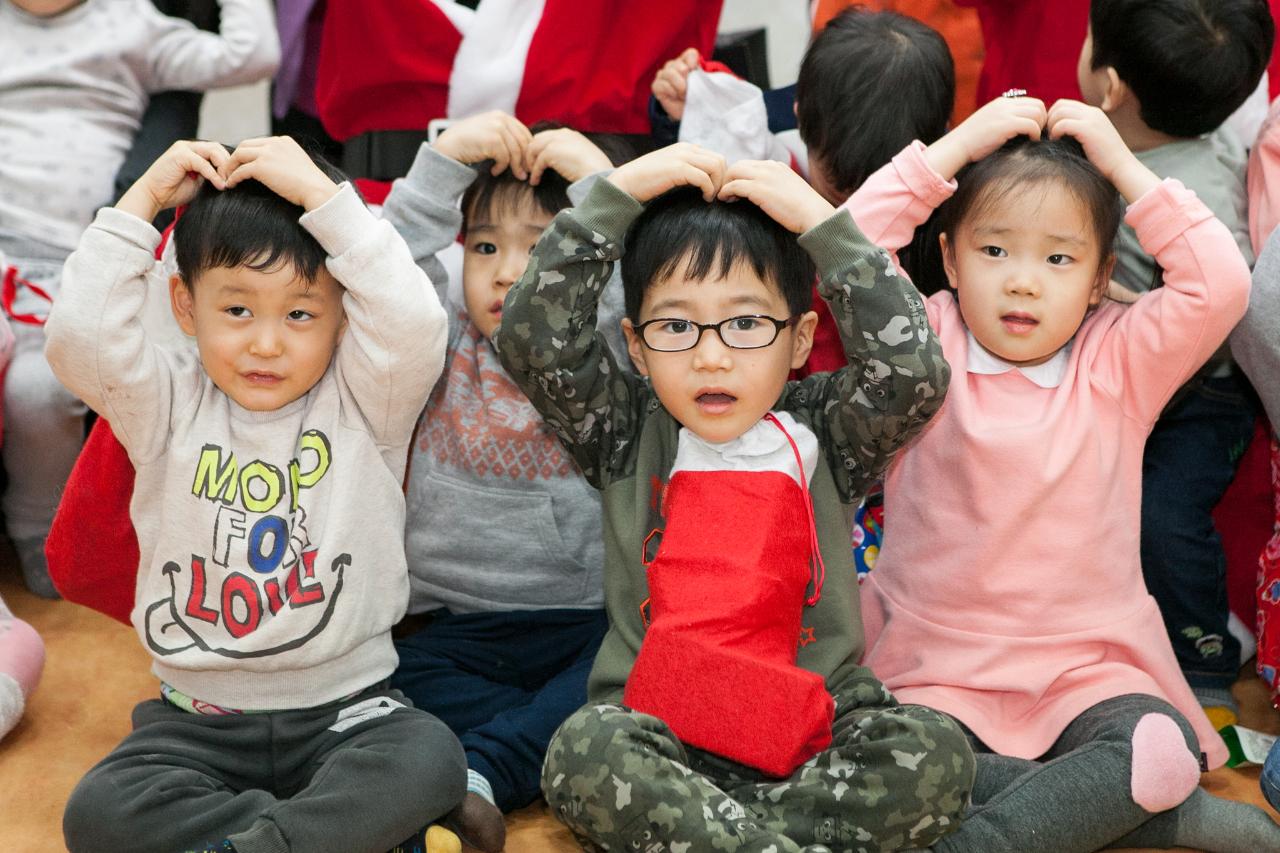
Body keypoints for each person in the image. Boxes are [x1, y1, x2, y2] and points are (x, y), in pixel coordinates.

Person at [494, 142, 973, 852]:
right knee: (582, 751)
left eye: (747, 324)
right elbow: (533, 336)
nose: (711, 354)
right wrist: (618, 193)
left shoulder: (827, 429)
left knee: (936, 752)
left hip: (818, 732)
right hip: (663, 738)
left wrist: (823, 225)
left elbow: (914, 373)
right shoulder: (624, 429)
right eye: (676, 326)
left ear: (803, 337)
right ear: (635, 344)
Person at [844, 94, 1280, 852]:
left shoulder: (1119, 358)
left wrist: (1119, 163)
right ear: (948, 257)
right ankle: (1147, 817)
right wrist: (956, 146)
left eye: (1058, 258)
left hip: (1090, 667)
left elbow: (1222, 285)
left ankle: (996, 836)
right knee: (875, 756)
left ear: (1098, 276)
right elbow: (846, 245)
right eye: (994, 251)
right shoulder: (923, 346)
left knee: (1153, 743)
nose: (1022, 281)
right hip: (934, 668)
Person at [46, 136, 464, 853]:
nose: (266, 344)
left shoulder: (371, 398)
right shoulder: (162, 399)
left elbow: (414, 321)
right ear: (184, 303)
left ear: (343, 312)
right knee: (97, 811)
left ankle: (258, 843)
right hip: (195, 723)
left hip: (350, 711)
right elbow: (78, 339)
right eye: (237, 310)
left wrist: (329, 202)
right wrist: (144, 198)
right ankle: (357, 838)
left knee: (431, 757)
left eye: (300, 314)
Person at [378, 111, 621, 853]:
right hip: (451, 632)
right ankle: (517, 745)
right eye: (485, 245)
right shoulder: (438, 334)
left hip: (583, 623)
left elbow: (649, 282)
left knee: (642, 668)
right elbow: (380, 267)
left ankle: (482, 768)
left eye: (543, 246)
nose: (509, 269)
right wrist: (445, 158)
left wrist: (597, 179)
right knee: (375, 693)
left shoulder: (603, 345)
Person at [0, 0, 280, 598]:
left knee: (38, 389)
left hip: (69, 257)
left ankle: (32, 527)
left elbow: (252, 56)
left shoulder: (131, 22)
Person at [1078, 0, 1274, 727]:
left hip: (1202, 394)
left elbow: (1226, 308)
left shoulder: (1196, 191)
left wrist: (1124, 312)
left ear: (1112, 87)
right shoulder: (1114, 130)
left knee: (1163, 515)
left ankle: (1205, 657)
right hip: (1126, 374)